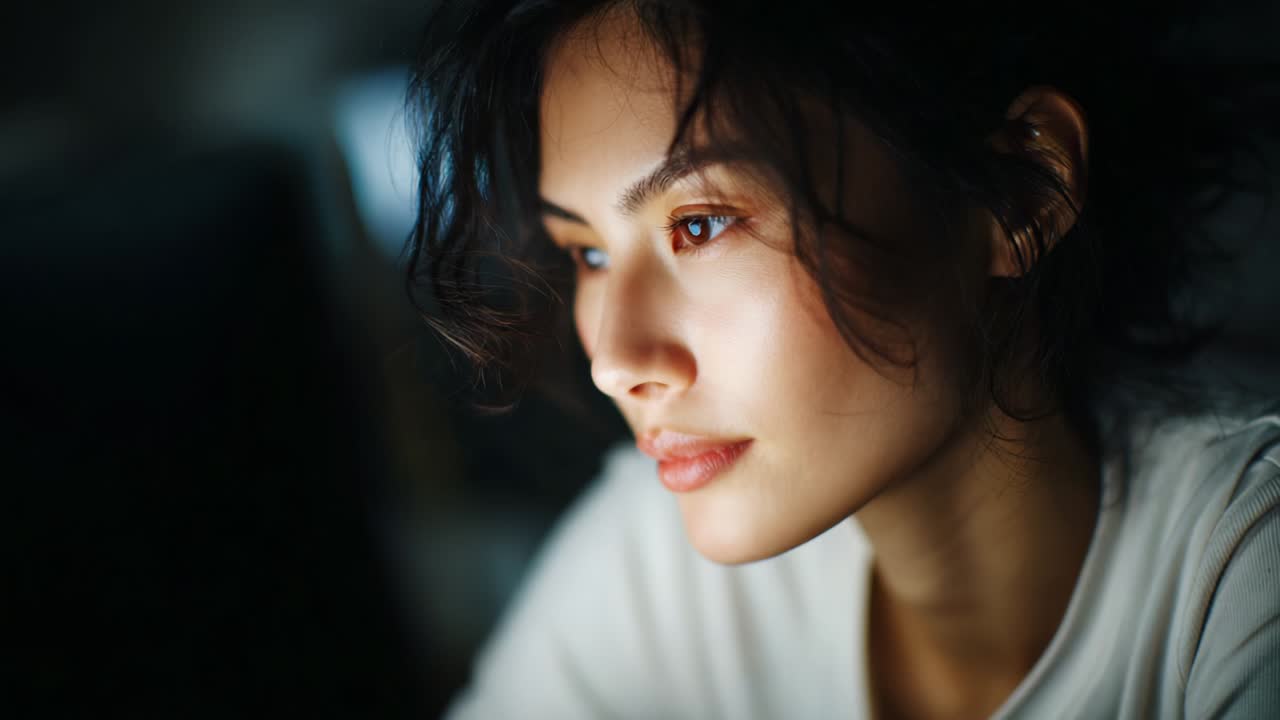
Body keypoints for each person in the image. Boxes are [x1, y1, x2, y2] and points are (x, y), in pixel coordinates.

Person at [407, 1, 1280, 717]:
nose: (615, 361)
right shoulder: (654, 557)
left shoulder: (1242, 580)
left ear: (1022, 192)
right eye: (589, 253)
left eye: (700, 224)